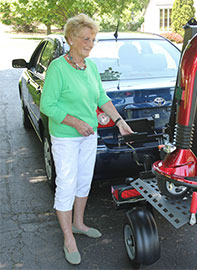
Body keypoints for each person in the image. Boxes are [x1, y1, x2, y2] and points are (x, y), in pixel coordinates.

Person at [40, 14, 133, 265]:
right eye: (85, 38)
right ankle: (68, 237)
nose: (90, 43)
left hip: (88, 136)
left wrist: (119, 121)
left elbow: (101, 97)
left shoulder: (90, 66)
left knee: (84, 181)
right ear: (70, 39)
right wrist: (76, 122)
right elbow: (48, 105)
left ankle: (79, 223)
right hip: (67, 137)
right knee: (67, 184)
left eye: (93, 39)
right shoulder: (58, 68)